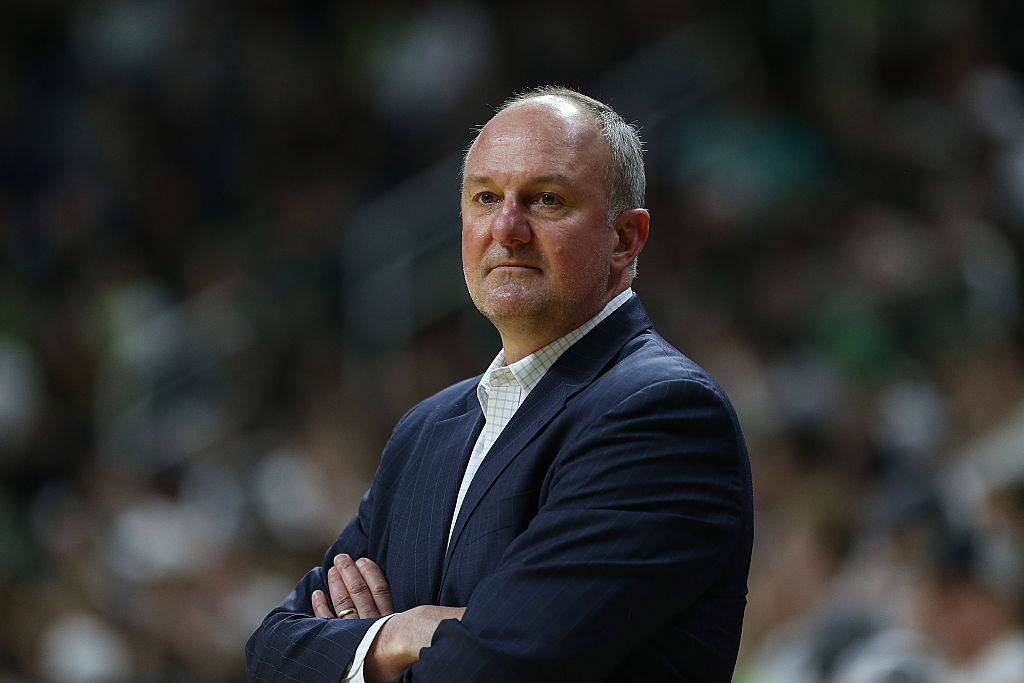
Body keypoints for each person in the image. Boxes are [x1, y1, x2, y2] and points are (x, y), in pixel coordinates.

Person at [246, 85, 754, 682]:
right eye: (486, 197)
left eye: (546, 200)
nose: (507, 228)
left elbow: (504, 669)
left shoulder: (662, 412)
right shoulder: (425, 430)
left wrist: (360, 654)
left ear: (625, 240)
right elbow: (271, 653)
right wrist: (398, 636)